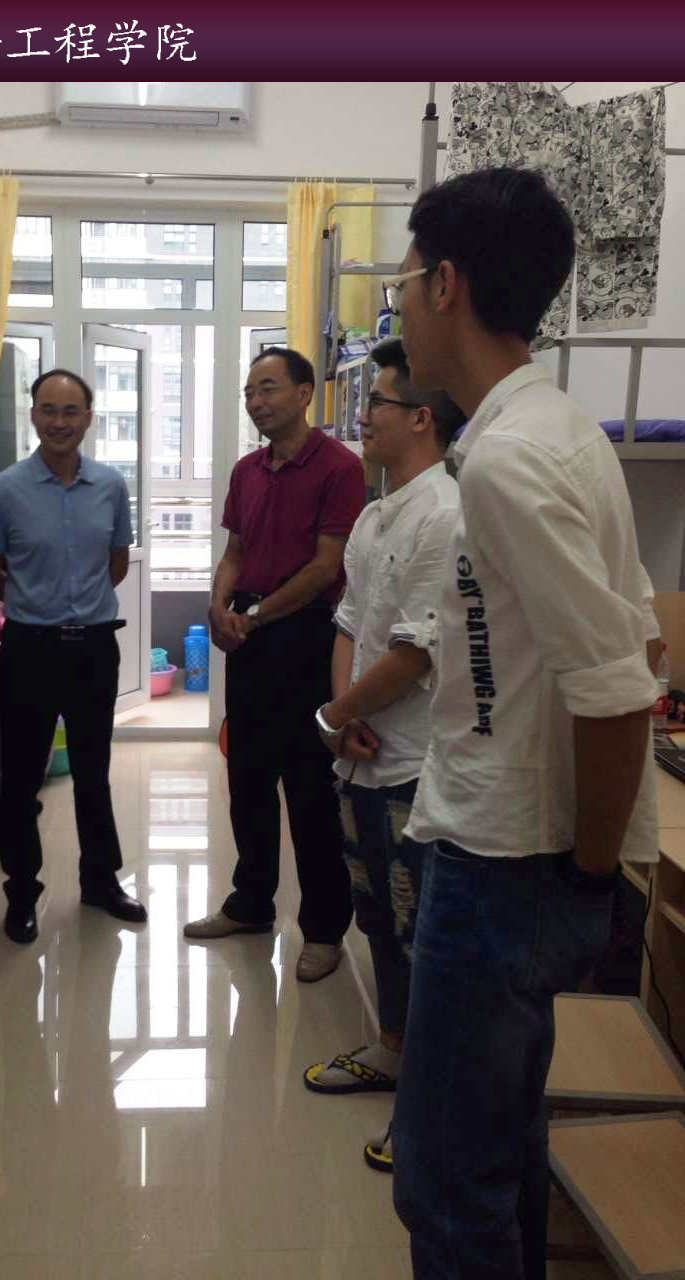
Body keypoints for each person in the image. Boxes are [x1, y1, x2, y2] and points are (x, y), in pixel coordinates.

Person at [386, 167, 661, 1280]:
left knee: (446, 1185)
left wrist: (586, 876)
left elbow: (619, 684)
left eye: (405, 279)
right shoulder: (554, 429)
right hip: (513, 849)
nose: (399, 302)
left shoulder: (509, 459)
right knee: (498, 1157)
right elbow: (639, 638)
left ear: (447, 284)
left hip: (507, 866)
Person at [301, 340, 464, 1132]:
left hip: (414, 768)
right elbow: (349, 623)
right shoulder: (374, 514)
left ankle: (430, 1110)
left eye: (378, 403)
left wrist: (336, 718)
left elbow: (415, 652)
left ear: (422, 418)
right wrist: (342, 716)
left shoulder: (446, 514)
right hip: (361, 759)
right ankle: (394, 1050)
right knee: (374, 913)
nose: (361, 416)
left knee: (420, 929)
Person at [184, 348, 367, 982]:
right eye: (249, 392)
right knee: (248, 777)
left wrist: (255, 615)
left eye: (267, 388)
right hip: (249, 636)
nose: (256, 402)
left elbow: (326, 566)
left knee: (310, 787)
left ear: (305, 393)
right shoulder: (247, 470)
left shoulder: (341, 468)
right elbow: (234, 551)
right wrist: (218, 606)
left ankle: (323, 928)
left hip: (306, 637)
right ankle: (251, 902)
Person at [0, 368, 146, 943]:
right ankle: (22, 892)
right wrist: (38, 599)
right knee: (21, 781)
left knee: (94, 774)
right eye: (48, 410)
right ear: (33, 416)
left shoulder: (111, 486)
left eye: (70, 411)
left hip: (94, 649)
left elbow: (115, 563)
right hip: (30, 649)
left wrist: (77, 601)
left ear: (89, 418)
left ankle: (100, 882)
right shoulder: (5, 489)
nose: (59, 422)